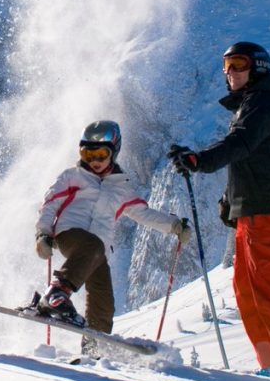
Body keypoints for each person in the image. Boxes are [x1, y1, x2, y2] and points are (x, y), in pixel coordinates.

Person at [168, 41, 270, 381]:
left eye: (238, 64)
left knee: (269, 292)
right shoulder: (252, 104)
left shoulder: (263, 102)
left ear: (258, 68)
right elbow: (250, 158)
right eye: (226, 65)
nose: (230, 72)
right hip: (253, 209)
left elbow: (241, 143)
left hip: (267, 209)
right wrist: (230, 201)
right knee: (247, 292)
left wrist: (199, 160)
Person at [33, 120, 192, 338]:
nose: (94, 161)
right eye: (87, 155)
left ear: (114, 152)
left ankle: (94, 350)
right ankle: (56, 294)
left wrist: (174, 226)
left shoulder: (121, 187)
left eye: (100, 154)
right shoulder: (71, 176)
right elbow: (50, 204)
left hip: (97, 251)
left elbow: (143, 213)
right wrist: (43, 233)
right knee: (93, 246)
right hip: (69, 234)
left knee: (104, 301)